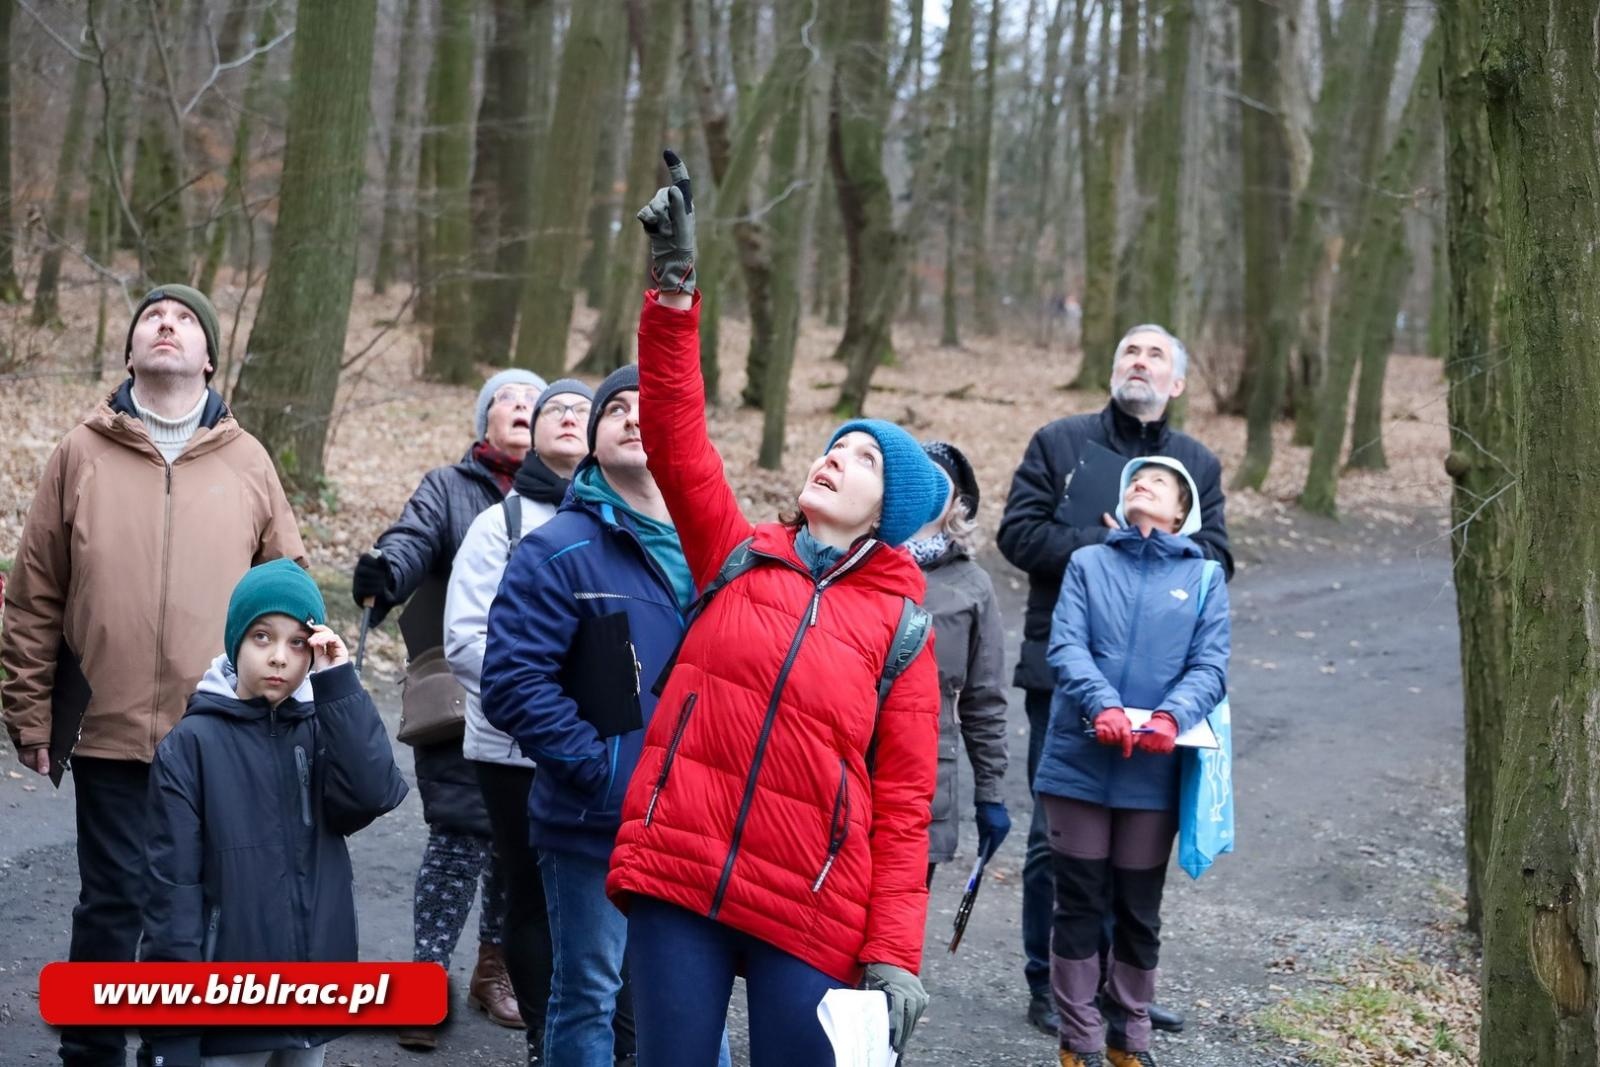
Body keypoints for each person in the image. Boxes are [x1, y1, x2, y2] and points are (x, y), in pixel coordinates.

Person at [605, 154, 945, 1066]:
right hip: (682, 863)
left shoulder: (904, 628)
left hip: (810, 897)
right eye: (834, 449)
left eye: (862, 461)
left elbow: (908, 805)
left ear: (890, 516)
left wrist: (894, 956)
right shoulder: (739, 549)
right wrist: (672, 295)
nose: (833, 460)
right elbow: (676, 433)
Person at [0, 283, 305, 1067]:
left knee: (200, 909)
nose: (165, 325)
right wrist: (30, 714)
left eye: (184, 320)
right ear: (131, 351)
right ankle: (91, 1052)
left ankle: (174, 1053)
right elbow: (35, 593)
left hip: (221, 733)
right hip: (108, 727)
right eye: (151, 319)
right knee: (111, 905)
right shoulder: (81, 453)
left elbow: (293, 594)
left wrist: (291, 707)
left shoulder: (247, 459)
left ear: (209, 356)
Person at [997, 324, 1233, 1036]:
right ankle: (1051, 982)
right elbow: (1017, 533)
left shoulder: (1198, 463)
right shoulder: (1059, 441)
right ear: (1112, 370)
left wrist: (1158, 548)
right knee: (1056, 839)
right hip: (1065, 674)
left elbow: (1218, 556)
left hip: (1165, 698)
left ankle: (1117, 988)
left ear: (1177, 384)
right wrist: (1110, 543)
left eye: (1156, 354)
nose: (1141, 362)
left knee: (1135, 851)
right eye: (1130, 351)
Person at [481, 366, 694, 1067]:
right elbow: (512, 682)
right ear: (595, 439)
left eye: (650, 407)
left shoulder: (715, 550)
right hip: (593, 820)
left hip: (694, 824)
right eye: (617, 410)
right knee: (589, 994)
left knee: (689, 997)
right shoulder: (556, 547)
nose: (634, 419)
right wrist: (605, 772)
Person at [141, 559, 408, 1067]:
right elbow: (170, 894)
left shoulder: (321, 725)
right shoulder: (190, 746)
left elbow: (374, 791)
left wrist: (340, 683)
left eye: (296, 643)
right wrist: (171, 1030)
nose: (279, 657)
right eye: (262, 637)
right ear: (235, 641)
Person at [350, 368, 545, 1049]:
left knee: (518, 843)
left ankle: (496, 971)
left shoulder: (577, 496)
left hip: (547, 696)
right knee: (461, 833)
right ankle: (425, 978)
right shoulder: (449, 488)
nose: (522, 406)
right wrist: (386, 572)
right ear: (484, 422)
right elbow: (412, 538)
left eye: (533, 399)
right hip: (460, 693)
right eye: (507, 400)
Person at [1036, 457, 1230, 1067]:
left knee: (1138, 911)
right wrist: (1104, 704)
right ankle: (1080, 1041)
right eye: (1136, 481)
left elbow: (1211, 665)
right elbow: (1065, 643)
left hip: (1154, 770)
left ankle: (1130, 1039)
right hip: (1079, 760)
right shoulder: (1087, 563)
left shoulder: (1204, 577)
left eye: (1162, 483)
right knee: (1078, 903)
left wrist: (1171, 716)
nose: (1143, 484)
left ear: (1181, 512)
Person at [444, 377, 596, 1063]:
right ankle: (546, 1039)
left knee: (599, 898)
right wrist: (543, 702)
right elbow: (464, 638)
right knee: (531, 896)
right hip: (510, 751)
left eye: (582, 409)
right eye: (553, 409)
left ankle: (600, 1035)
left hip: (600, 748)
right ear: (529, 433)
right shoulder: (497, 523)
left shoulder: (617, 523)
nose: (567, 416)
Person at [907, 441, 1011, 881]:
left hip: (924, 786)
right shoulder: (851, 561)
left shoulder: (972, 585)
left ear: (957, 504)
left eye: (939, 480)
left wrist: (990, 794)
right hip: (839, 779)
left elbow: (984, 698)